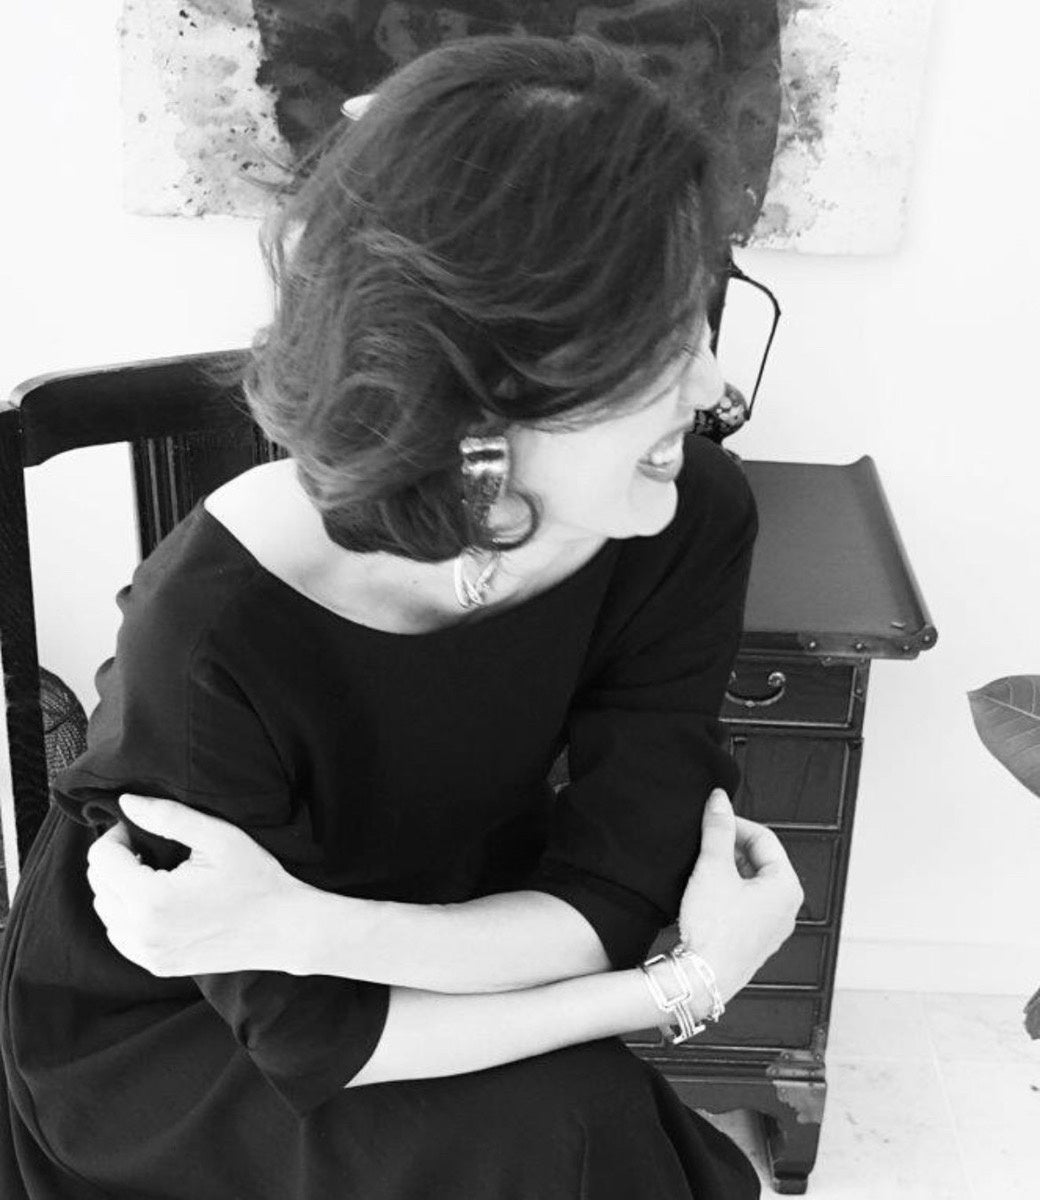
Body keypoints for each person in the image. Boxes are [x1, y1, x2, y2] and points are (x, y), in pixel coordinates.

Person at [0, 34, 803, 1200]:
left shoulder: (683, 515)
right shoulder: (215, 630)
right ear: (483, 385)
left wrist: (303, 924)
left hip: (387, 932)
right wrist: (680, 988)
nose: (714, 387)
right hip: (176, 1026)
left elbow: (612, 889)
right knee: (570, 1128)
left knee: (570, 1131)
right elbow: (314, 1034)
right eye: (663, 342)